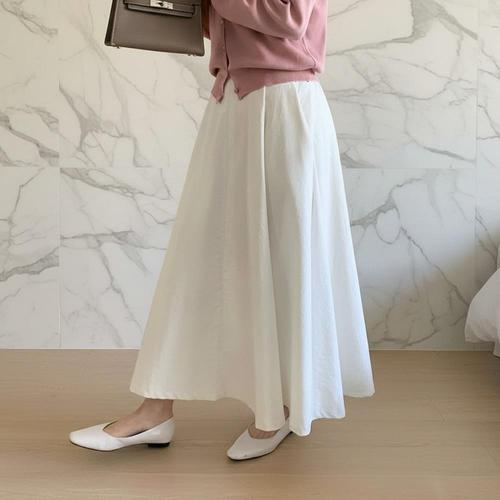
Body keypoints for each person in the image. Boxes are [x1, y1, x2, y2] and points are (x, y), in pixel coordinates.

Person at [69, 0, 375, 461]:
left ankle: (279, 408)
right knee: (196, 257)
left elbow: (289, 20)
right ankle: (155, 409)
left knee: (285, 259)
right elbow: (231, 24)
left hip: (284, 107)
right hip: (232, 103)